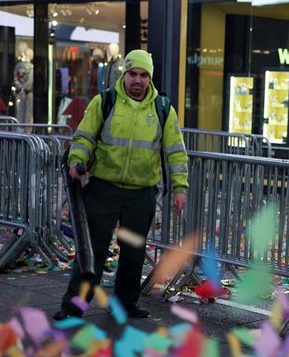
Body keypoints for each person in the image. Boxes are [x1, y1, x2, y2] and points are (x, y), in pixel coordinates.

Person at [53, 49, 188, 320]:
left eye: (143, 75)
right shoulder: (105, 101)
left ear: (150, 78)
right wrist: (77, 160)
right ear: (124, 74)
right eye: (133, 74)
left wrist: (180, 187)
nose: (137, 80)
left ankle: (125, 304)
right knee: (92, 250)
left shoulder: (163, 109)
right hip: (104, 188)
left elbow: (175, 151)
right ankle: (73, 306)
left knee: (134, 252)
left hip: (141, 192)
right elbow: (85, 137)